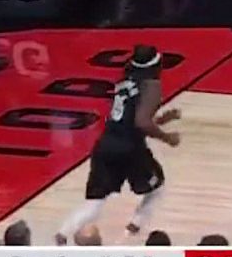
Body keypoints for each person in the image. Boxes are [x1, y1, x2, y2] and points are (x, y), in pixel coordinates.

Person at [54, 45, 182, 244]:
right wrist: (167, 137)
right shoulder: (151, 85)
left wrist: (161, 120)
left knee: (95, 201)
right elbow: (141, 122)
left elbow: (128, 120)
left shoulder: (123, 82)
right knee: (156, 189)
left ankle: (62, 233)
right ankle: (131, 231)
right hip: (130, 150)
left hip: (105, 145)